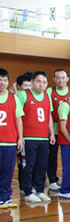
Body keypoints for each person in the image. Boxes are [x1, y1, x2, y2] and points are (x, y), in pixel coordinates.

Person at [17, 71, 55, 203]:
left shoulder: (47, 96)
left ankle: (39, 190)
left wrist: (51, 133)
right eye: (38, 81)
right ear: (32, 82)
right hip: (28, 138)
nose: (41, 85)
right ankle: (27, 191)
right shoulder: (23, 95)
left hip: (43, 138)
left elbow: (49, 115)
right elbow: (18, 117)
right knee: (28, 166)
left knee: (42, 165)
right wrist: (20, 137)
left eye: (44, 82)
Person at [0, 68, 24, 209]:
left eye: (4, 80)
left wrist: (20, 138)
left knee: (7, 171)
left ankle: (5, 197)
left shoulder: (13, 98)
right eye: (0, 80)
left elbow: (18, 119)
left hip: (9, 141)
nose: (2, 83)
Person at [46, 68, 70, 191]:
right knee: (52, 156)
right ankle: (52, 179)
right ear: (54, 79)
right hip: (53, 129)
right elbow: (48, 111)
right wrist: (50, 131)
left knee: (68, 156)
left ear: (67, 79)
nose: (60, 80)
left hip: (67, 130)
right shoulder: (50, 91)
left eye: (62, 77)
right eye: (58, 78)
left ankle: (68, 179)